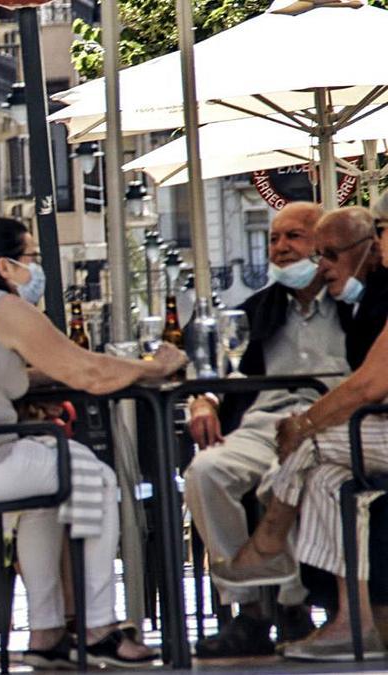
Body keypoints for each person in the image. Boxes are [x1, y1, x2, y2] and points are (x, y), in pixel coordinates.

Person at [0, 218, 186, 668]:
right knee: (92, 475)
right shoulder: (0, 307)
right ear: (5, 264)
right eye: (32, 259)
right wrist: (155, 367)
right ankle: (98, 627)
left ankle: (48, 633)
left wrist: (121, 366)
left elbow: (25, 370)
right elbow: (89, 374)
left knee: (45, 497)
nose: (37, 268)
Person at [211, 206, 388, 661]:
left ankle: (270, 540)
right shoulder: (267, 309)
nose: (323, 263)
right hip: (367, 429)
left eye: (329, 253)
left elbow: (369, 384)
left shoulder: (367, 297)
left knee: (308, 442)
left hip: (371, 426)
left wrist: (306, 422)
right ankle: (353, 623)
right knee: (328, 479)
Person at [181, 202, 344, 657]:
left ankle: (292, 604)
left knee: (281, 481)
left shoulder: (352, 305)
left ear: (323, 243)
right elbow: (219, 370)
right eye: (274, 238)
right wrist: (203, 400)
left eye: (294, 236)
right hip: (265, 425)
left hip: (331, 423)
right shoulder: (256, 310)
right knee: (205, 472)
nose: (280, 247)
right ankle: (250, 608)